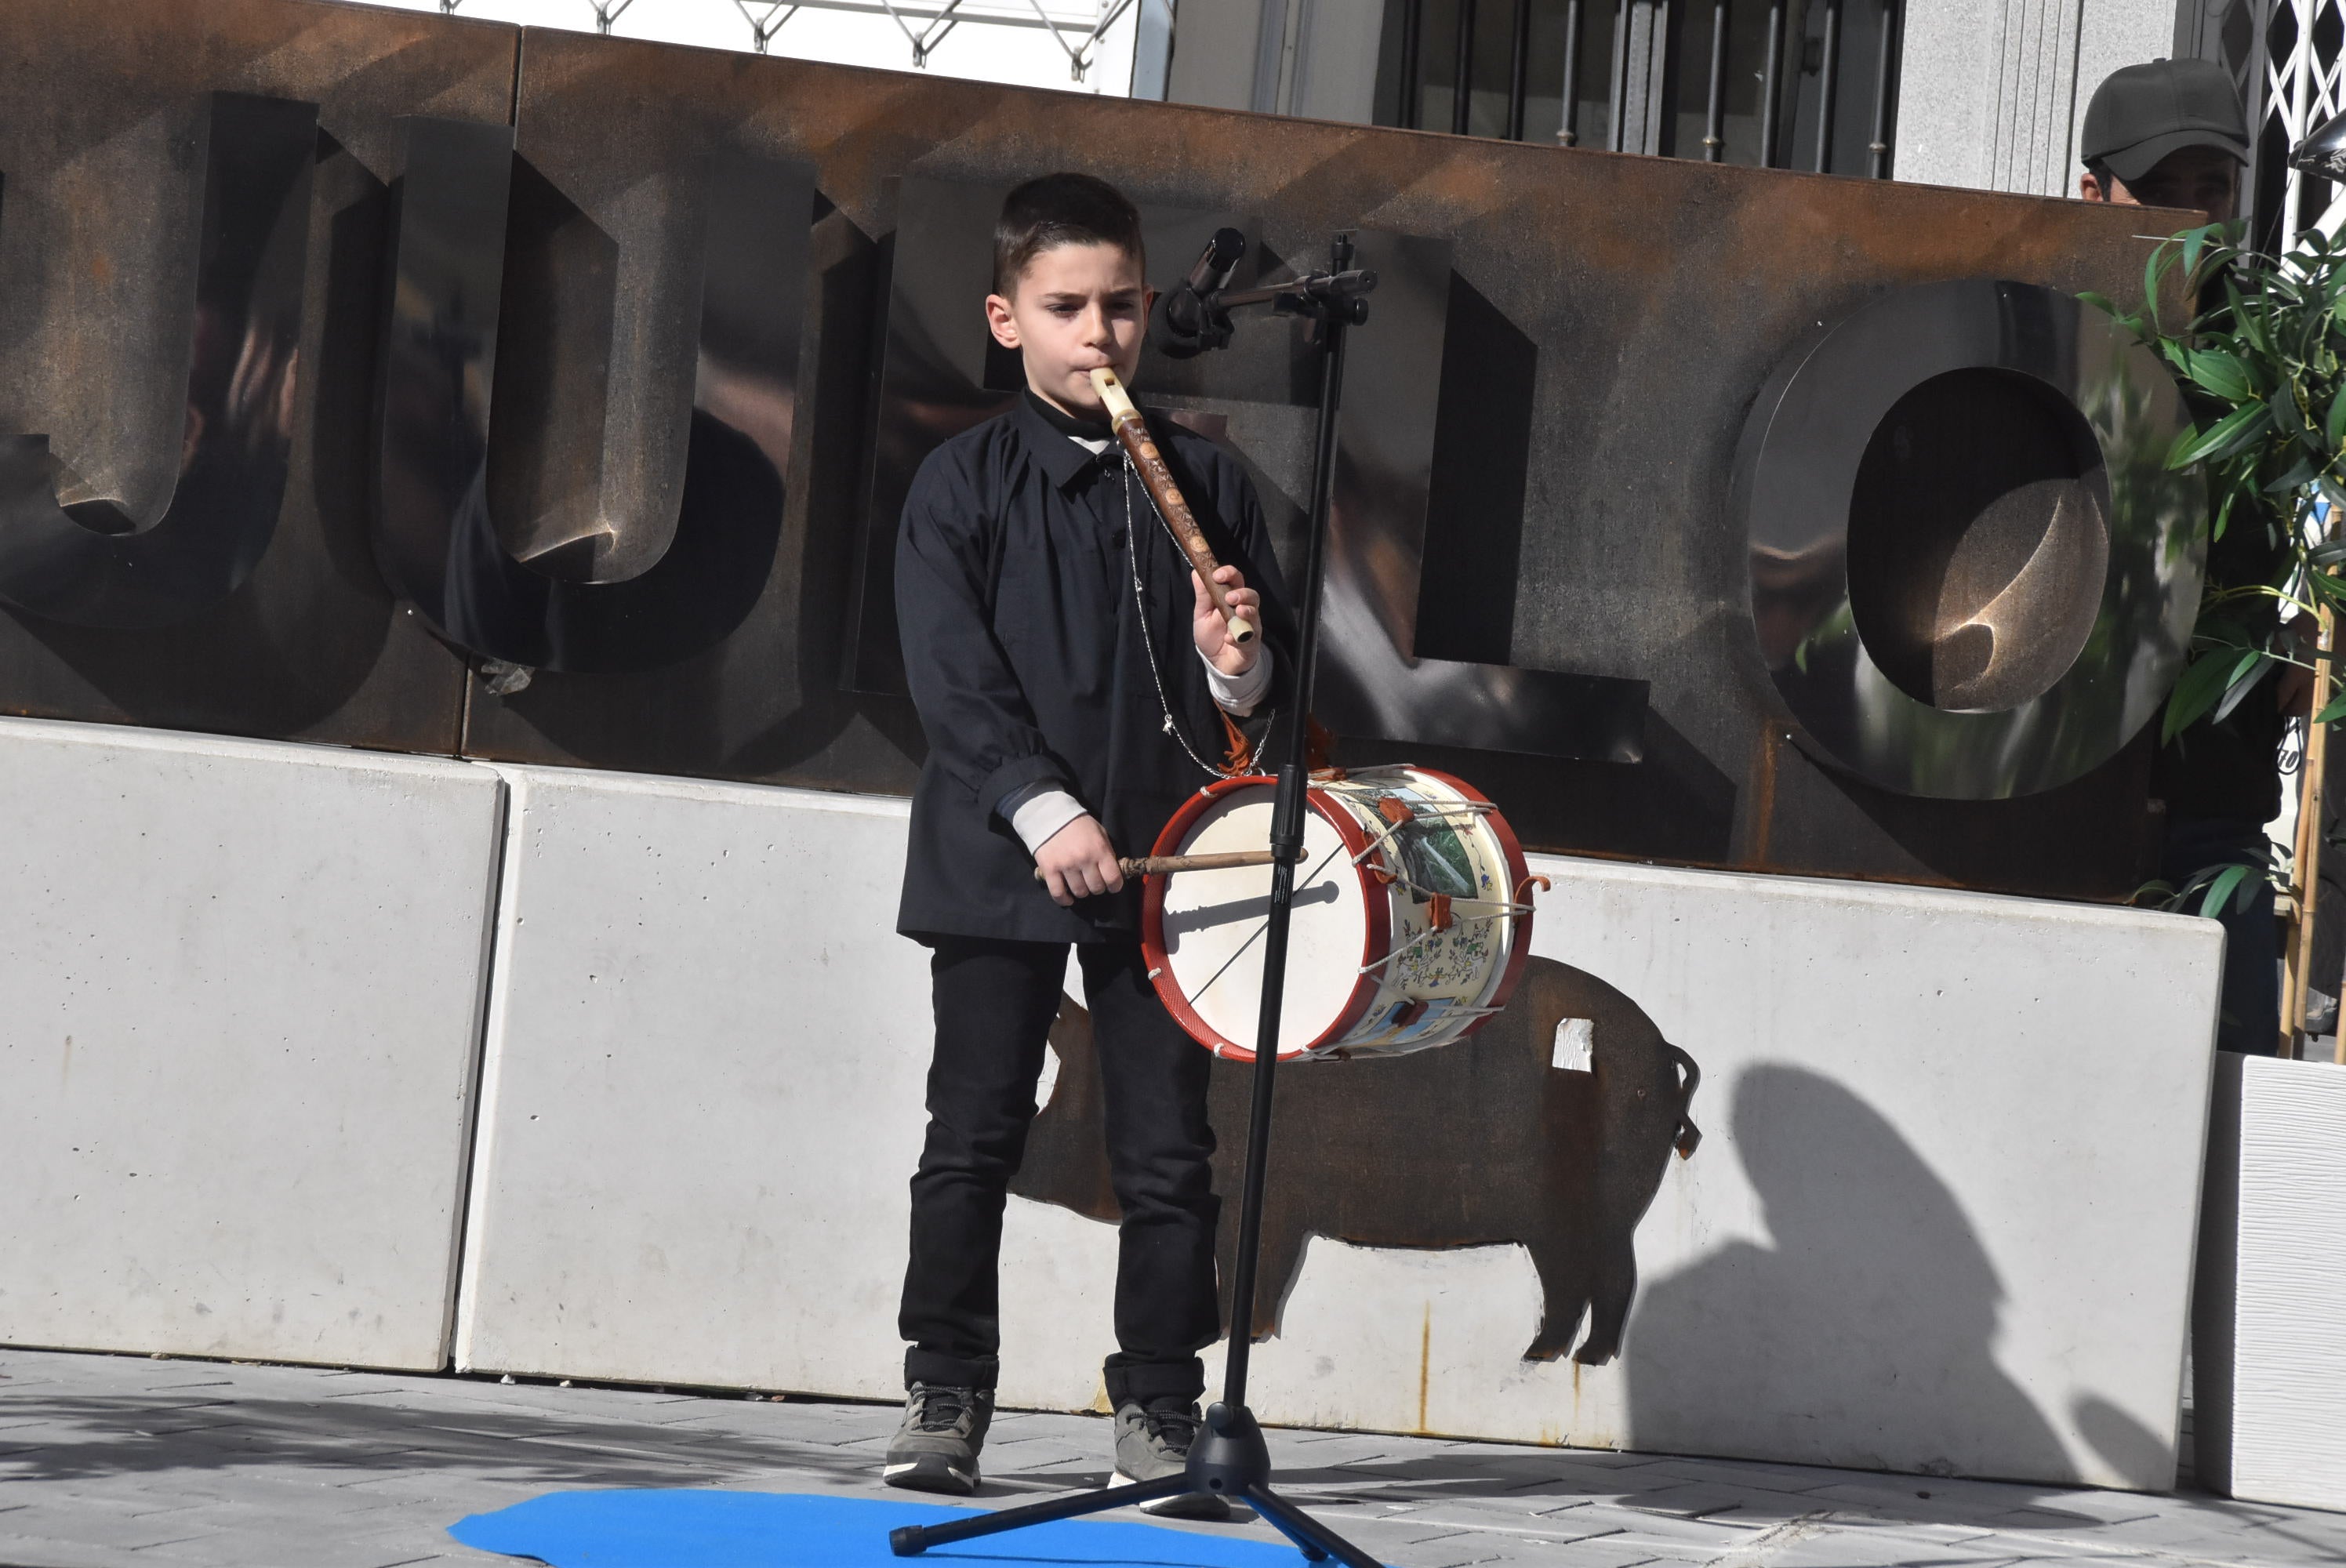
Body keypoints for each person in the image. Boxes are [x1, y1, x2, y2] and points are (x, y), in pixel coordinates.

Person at [882, 172, 1291, 1512]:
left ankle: (1161, 1404)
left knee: (1169, 1152)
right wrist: (1042, 809)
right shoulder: (960, 484)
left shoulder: (1209, 480)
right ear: (1007, 320)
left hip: (1167, 857)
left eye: (1120, 306)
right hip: (1005, 849)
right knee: (975, 1132)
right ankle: (945, 1387)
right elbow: (952, 676)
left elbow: (1261, 706)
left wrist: (1235, 666)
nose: (1097, 335)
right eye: (1066, 309)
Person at [2079, 59, 2286, 1051]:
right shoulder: (2040, 324)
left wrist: (2282, 651)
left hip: (2212, 816)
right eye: (2162, 191)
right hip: (2049, 811)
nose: (2191, 217)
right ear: (2092, 192)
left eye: (2212, 188)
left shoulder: (2265, 353)